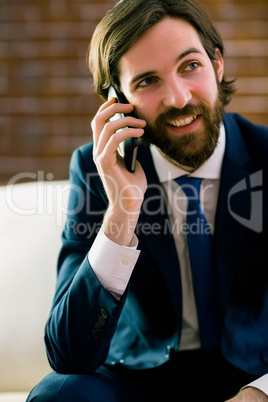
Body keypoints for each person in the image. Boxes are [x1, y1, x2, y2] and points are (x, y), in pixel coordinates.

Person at [26, 0, 268, 400]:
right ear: (118, 101)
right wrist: (122, 209)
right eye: (147, 81)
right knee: (58, 394)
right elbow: (67, 354)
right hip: (138, 380)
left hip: (252, 372)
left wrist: (259, 393)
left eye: (190, 66)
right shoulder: (94, 169)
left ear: (217, 64)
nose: (177, 98)